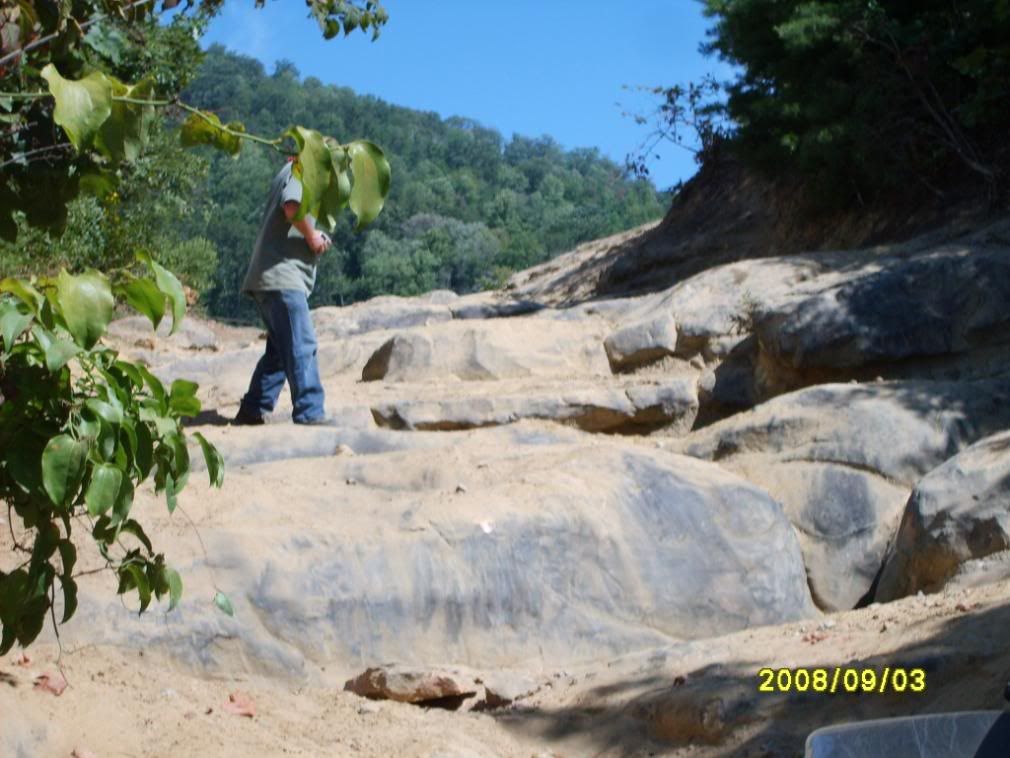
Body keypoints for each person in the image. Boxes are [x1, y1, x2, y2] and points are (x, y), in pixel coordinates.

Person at [233, 158, 333, 426]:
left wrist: (313, 233)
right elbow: (292, 206)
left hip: (269, 276)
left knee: (279, 352)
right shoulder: (302, 170)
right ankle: (310, 411)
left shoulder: (290, 170)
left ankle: (253, 410)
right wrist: (312, 237)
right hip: (282, 277)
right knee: (302, 344)